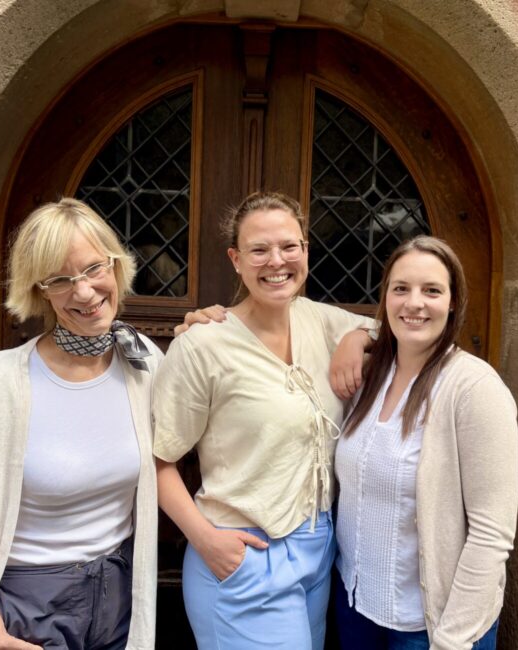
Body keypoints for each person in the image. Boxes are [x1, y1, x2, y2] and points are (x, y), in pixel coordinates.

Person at [0, 198, 162, 650]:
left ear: (116, 265)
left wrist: (208, 331)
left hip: (119, 603)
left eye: (94, 268)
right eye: (60, 280)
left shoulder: (144, 363)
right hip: (25, 607)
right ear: (40, 291)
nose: (85, 292)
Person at [151, 191, 374, 649]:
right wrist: (206, 540)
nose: (277, 261)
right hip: (245, 555)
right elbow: (157, 460)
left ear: (306, 250)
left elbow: (396, 326)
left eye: (290, 246)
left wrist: (357, 336)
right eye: (259, 249)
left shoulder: (323, 321)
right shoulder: (203, 345)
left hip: (319, 550)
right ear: (236, 259)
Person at [331, 235, 518, 650]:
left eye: (431, 290)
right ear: (385, 299)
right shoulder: (368, 377)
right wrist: (357, 335)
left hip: (429, 626)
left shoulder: (474, 388)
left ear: (453, 302)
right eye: (401, 289)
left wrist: (452, 639)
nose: (414, 303)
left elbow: (492, 533)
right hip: (355, 606)